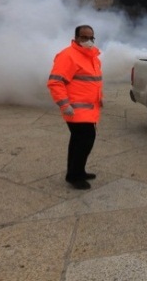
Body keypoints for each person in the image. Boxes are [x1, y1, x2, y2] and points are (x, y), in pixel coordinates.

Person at [47, 25, 103, 190]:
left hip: (88, 109)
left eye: (91, 37)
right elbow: (55, 82)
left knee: (78, 141)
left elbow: (94, 81)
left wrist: (100, 98)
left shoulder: (92, 56)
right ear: (76, 38)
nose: (88, 41)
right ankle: (74, 176)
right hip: (75, 109)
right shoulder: (68, 56)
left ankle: (77, 171)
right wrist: (64, 105)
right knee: (85, 140)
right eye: (84, 37)